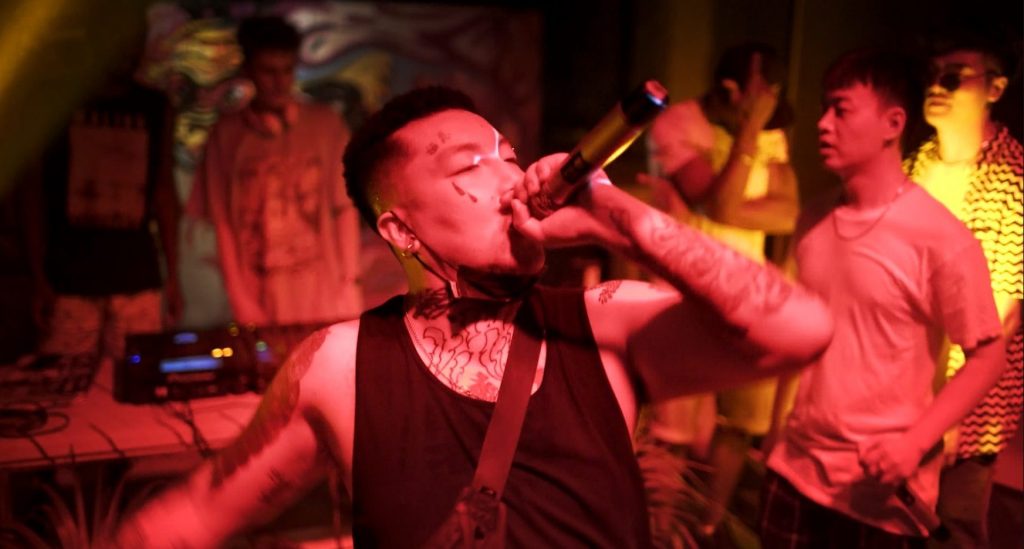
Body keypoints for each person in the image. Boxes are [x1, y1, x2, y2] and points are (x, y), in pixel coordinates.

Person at [113, 86, 834, 547]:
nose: (510, 177)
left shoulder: (604, 324)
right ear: (399, 230)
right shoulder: (340, 366)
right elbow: (194, 515)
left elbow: (802, 330)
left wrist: (621, 217)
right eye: (469, 166)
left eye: (510, 157)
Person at [760, 49, 1007, 548]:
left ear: (893, 123)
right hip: (794, 472)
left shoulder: (940, 237)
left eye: (841, 109)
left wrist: (915, 442)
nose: (823, 124)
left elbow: (988, 355)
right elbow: (799, 337)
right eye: (824, 109)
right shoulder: (813, 218)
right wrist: (774, 438)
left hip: (877, 494)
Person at [645, 42, 799, 539]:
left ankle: (709, 529)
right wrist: (750, 134)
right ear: (732, 92)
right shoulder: (678, 124)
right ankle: (660, 535)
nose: (765, 118)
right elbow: (713, 203)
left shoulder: (768, 130)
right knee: (672, 432)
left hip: (746, 294)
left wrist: (736, 203)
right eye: (758, 105)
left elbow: (788, 212)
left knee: (739, 425)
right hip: (684, 295)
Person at [904, 35, 1023, 548]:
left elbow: (1001, 316)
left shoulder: (1014, 178)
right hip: (903, 386)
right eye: (933, 73)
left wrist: (948, 408)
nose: (937, 85)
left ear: (995, 88)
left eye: (954, 76)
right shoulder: (914, 166)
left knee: (955, 524)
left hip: (971, 404)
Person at [188, 15, 362, 326]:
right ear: (248, 71)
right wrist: (239, 299)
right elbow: (223, 225)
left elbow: (343, 209)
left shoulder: (326, 125)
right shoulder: (226, 135)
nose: (279, 82)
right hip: (259, 295)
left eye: (287, 70)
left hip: (323, 292)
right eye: (268, 71)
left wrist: (350, 283)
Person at [24, 45, 181, 368]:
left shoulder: (154, 106)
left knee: (137, 381)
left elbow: (164, 193)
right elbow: (33, 195)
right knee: (64, 383)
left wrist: (174, 276)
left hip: (136, 277)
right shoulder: (56, 101)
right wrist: (38, 277)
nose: (126, 55)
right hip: (69, 279)